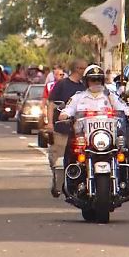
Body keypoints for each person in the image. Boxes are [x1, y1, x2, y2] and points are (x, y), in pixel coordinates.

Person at [47, 58, 87, 197]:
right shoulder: (62, 84)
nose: (84, 71)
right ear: (77, 69)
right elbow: (51, 103)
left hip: (79, 131)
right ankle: (58, 183)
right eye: (83, 68)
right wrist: (50, 123)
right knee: (58, 158)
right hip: (62, 129)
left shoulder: (84, 87)